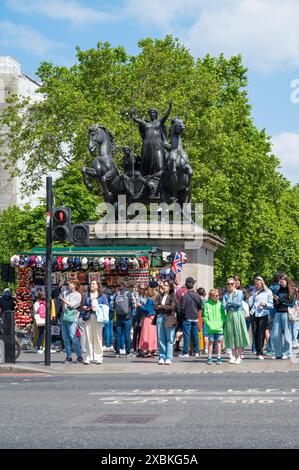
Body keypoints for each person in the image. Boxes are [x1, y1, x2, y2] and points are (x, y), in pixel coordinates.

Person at [131, 101, 172, 177]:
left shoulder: (159, 122)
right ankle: (147, 179)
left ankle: (158, 179)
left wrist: (170, 107)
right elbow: (135, 119)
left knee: (159, 166)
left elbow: (166, 116)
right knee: (146, 167)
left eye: (153, 112)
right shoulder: (146, 123)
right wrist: (132, 113)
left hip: (157, 146)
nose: (152, 114)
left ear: (156, 114)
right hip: (147, 147)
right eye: (150, 113)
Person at [222, 278, 250, 364]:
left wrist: (229, 304)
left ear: (235, 284)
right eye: (228, 284)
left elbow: (238, 303)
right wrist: (231, 304)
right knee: (231, 335)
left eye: (232, 284)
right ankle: (233, 356)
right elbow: (223, 306)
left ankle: (239, 356)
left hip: (238, 314)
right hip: (229, 315)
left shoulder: (239, 292)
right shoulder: (226, 294)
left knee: (239, 334)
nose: (230, 285)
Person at [83, 281, 109, 365]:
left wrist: (97, 307)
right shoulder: (87, 295)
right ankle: (88, 357)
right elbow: (83, 305)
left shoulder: (102, 296)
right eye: (91, 284)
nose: (91, 285)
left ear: (98, 286)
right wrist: (85, 307)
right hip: (88, 317)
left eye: (93, 284)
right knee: (88, 338)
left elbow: (106, 307)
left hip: (98, 318)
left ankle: (98, 358)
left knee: (98, 338)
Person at [248, 277, 273, 360]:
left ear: (262, 283)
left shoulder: (268, 292)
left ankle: (260, 352)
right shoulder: (253, 292)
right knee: (255, 333)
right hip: (254, 314)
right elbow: (250, 303)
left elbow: (271, 305)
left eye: (258, 283)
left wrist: (265, 304)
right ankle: (258, 350)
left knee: (261, 333)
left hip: (263, 314)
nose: (257, 285)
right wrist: (250, 298)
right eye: (255, 283)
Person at [272, 274, 297, 360]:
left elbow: (291, 303)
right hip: (278, 313)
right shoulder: (278, 290)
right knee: (275, 335)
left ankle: (287, 353)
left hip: (286, 313)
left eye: (282, 281)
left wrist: (280, 300)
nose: (281, 283)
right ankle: (278, 353)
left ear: (286, 281)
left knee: (287, 334)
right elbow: (276, 303)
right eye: (280, 281)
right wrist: (275, 300)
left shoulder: (292, 290)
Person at [60, 281, 83, 363]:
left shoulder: (78, 295)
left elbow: (72, 305)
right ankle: (68, 356)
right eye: (69, 283)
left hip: (72, 316)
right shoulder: (66, 292)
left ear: (75, 286)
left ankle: (79, 355)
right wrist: (60, 285)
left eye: (71, 284)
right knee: (65, 338)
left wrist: (63, 300)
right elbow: (59, 291)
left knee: (73, 336)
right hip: (64, 315)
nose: (69, 285)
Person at [155, 280, 176, 365]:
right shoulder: (159, 296)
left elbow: (172, 307)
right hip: (160, 317)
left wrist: (162, 306)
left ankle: (168, 357)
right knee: (160, 338)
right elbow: (155, 306)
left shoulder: (173, 296)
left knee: (169, 339)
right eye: (164, 285)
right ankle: (162, 356)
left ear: (170, 287)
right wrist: (163, 307)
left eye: (166, 285)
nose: (164, 286)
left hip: (169, 318)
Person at [179, 277, 202, 358]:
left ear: (186, 285)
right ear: (193, 284)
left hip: (187, 318)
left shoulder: (185, 296)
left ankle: (186, 352)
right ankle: (197, 351)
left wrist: (183, 316)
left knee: (187, 335)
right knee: (195, 335)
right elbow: (200, 306)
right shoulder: (197, 296)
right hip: (195, 317)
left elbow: (182, 309)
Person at [203, 289, 226, 364]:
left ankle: (219, 357)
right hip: (211, 328)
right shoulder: (207, 305)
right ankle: (209, 357)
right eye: (215, 296)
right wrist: (209, 324)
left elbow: (223, 316)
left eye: (218, 295)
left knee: (219, 342)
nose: (217, 297)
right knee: (211, 342)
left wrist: (221, 323)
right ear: (211, 296)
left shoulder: (220, 304)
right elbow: (205, 317)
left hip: (219, 328)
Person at [114, 281, 135, 358]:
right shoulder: (130, 294)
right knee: (127, 334)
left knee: (118, 334)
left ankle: (117, 352)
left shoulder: (116, 294)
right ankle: (128, 352)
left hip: (119, 316)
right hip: (128, 317)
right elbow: (134, 305)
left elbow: (113, 306)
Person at [137, 287, 158, 356]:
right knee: (153, 334)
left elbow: (147, 309)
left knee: (147, 334)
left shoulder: (149, 299)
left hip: (148, 318)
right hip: (153, 317)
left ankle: (148, 350)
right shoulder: (155, 299)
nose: (144, 293)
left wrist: (140, 305)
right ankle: (153, 350)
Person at [102, 285, 115, 352]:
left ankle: (107, 345)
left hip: (106, 312)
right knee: (111, 328)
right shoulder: (112, 294)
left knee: (106, 328)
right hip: (112, 312)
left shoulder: (104, 294)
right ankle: (111, 344)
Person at [197, 287, 208, 354]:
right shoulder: (206, 301)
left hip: (199, 318)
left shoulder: (197, 300)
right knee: (205, 334)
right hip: (205, 318)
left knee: (199, 333)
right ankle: (206, 348)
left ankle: (200, 347)